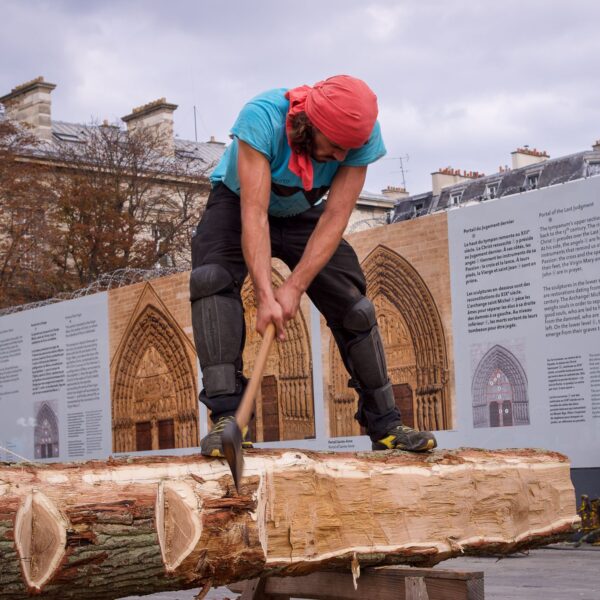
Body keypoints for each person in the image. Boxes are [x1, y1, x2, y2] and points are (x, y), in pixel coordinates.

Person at [190, 75, 437, 456]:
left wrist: (293, 288)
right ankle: (229, 420)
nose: (341, 158)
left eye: (348, 150)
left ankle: (386, 424)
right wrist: (265, 294)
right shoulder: (261, 119)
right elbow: (254, 215)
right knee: (211, 280)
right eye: (335, 147)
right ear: (309, 126)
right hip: (240, 202)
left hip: (304, 211)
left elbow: (335, 218)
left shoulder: (362, 139)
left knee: (355, 306)